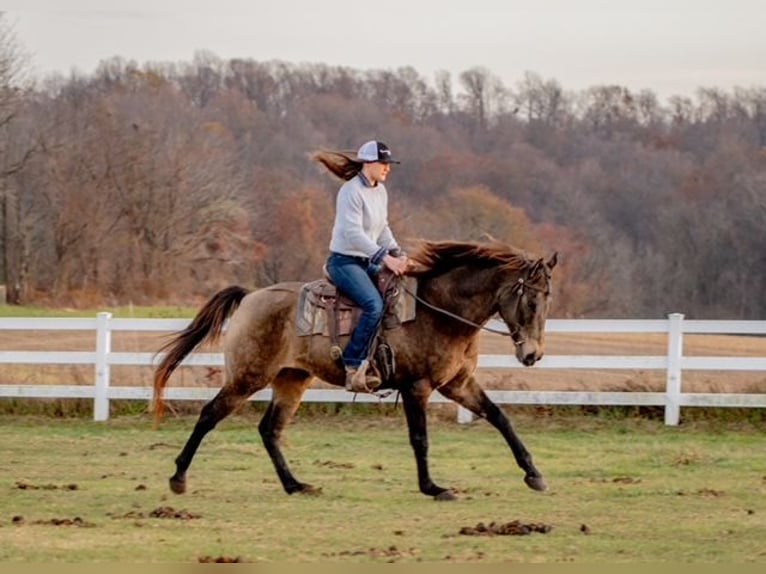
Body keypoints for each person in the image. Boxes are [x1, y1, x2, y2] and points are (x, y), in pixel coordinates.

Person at [313, 140, 409, 393]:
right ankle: (353, 366)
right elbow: (354, 233)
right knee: (373, 305)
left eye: (389, 164)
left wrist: (398, 253)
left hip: (367, 260)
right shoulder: (350, 191)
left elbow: (383, 227)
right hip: (344, 262)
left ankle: (380, 357)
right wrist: (386, 258)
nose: (388, 168)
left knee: (397, 294)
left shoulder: (380, 191)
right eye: (384, 164)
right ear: (369, 163)